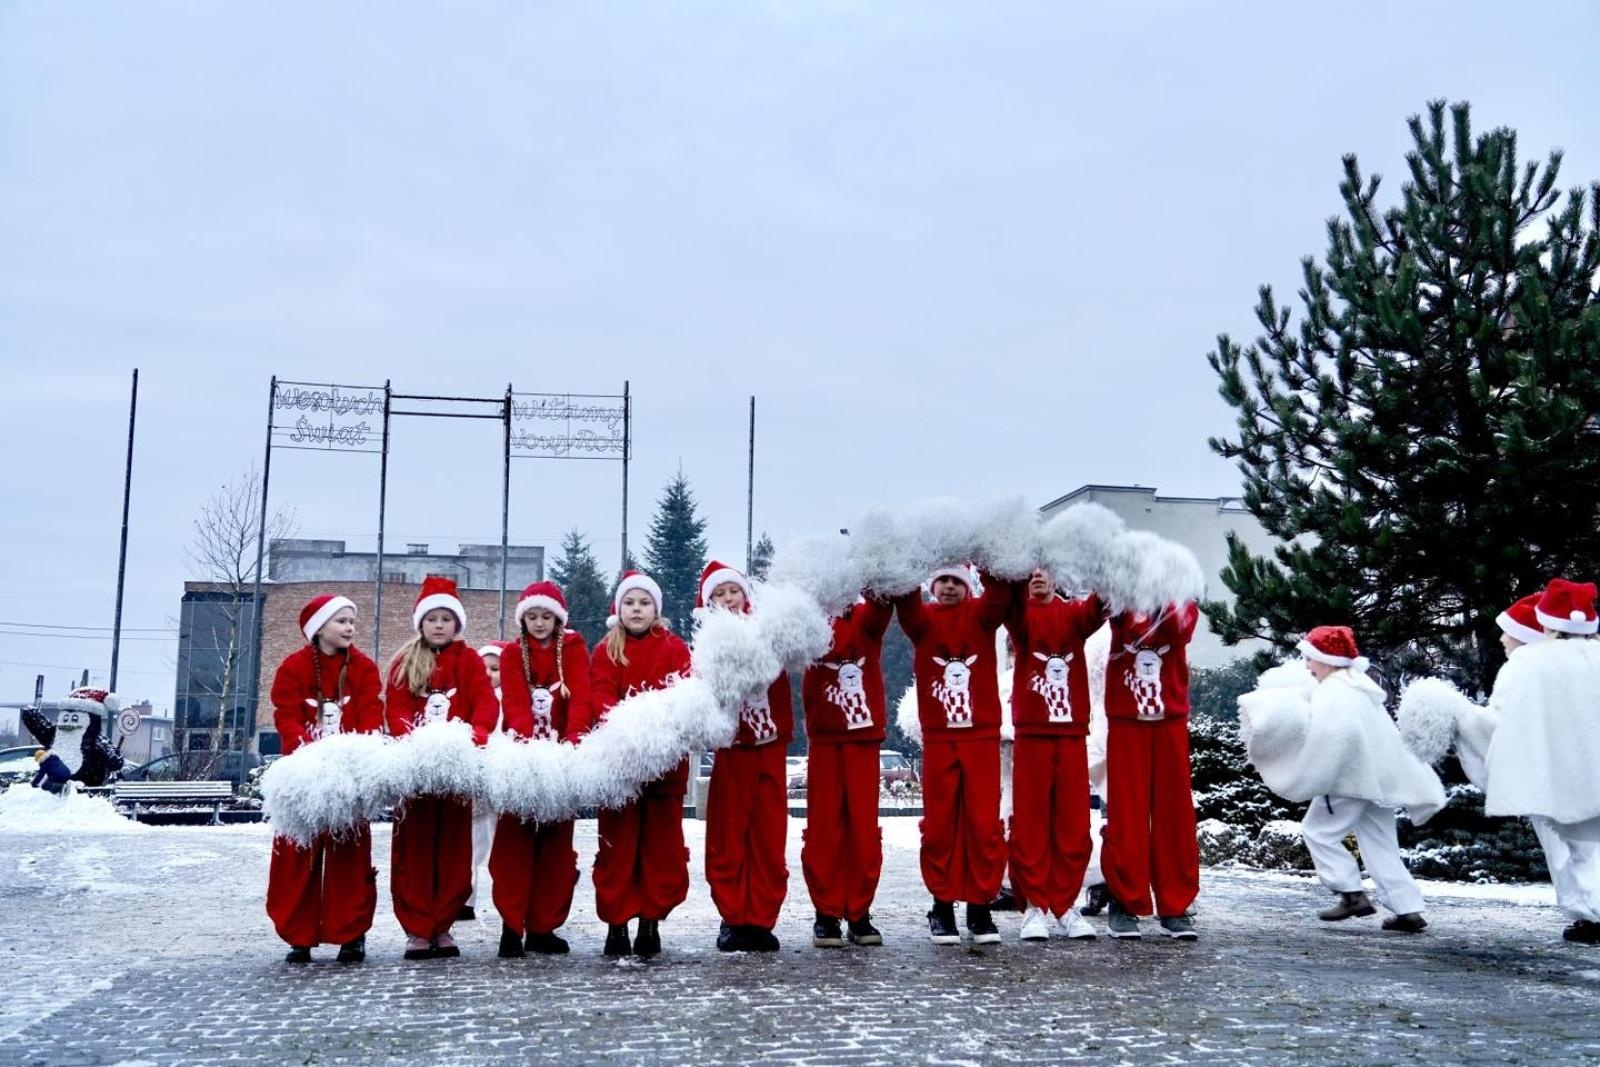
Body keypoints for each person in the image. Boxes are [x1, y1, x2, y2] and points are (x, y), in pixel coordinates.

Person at [1240, 626, 1444, 934]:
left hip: (1348, 779)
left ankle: (1351, 894)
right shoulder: (1360, 687)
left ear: (1327, 659)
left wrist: (1318, 773)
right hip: (1377, 781)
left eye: (1310, 659)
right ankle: (1408, 909)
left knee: (1317, 832)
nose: (1307, 666)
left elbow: (1334, 737)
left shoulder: (1334, 690)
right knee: (1380, 842)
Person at [895, 564, 1014, 945]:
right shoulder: (923, 621)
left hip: (980, 737)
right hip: (940, 737)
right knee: (941, 823)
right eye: (942, 581)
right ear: (933, 586)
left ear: (968, 586)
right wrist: (911, 559)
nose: (949, 588)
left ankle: (979, 908)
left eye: (956, 582)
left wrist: (987, 557)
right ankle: (941, 905)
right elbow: (905, 599)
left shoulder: (981, 615)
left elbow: (1000, 594)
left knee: (982, 823)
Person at [384, 577, 499, 960]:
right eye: (432, 618)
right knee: (414, 851)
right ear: (420, 623)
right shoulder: (405, 661)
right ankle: (418, 927)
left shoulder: (467, 661)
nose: (438, 625)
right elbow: (396, 709)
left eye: (446, 619)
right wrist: (412, 741)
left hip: (455, 771)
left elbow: (485, 704)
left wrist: (475, 736)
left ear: (457, 624)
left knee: (453, 850)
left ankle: (444, 924)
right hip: (416, 773)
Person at [265, 594, 385, 963]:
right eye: (342, 621)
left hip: (348, 776)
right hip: (306, 775)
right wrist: (307, 756)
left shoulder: (363, 667)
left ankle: (351, 932)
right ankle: (298, 934)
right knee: (298, 855)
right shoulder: (294, 667)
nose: (350, 628)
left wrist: (352, 758)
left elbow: (369, 714)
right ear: (319, 628)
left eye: (352, 621)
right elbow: (286, 715)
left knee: (350, 855)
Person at [1483, 579, 1600, 943]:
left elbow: (1498, 718)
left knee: (1572, 846)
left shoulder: (1529, 663)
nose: (1502, 641)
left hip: (1554, 773)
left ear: (1545, 623)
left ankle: (1590, 913)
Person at [590, 571, 693, 958]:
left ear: (656, 609)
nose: (637, 609)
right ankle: (617, 923)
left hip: (665, 767)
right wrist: (625, 730)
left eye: (644, 603)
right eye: (630, 603)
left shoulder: (674, 647)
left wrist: (660, 732)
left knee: (660, 849)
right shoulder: (606, 650)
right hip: (620, 767)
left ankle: (650, 920)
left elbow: (685, 695)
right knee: (617, 847)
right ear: (618, 609)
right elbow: (599, 695)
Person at [492, 582, 592, 957]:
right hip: (525, 761)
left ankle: (542, 927)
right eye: (531, 617)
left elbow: (581, 698)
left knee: (556, 849)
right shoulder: (512, 655)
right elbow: (515, 705)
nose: (538, 623)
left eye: (545, 617)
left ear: (558, 619)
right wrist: (525, 751)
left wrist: (574, 744)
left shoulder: (575, 650)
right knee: (514, 845)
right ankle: (510, 925)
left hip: (562, 759)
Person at [1004, 567, 1104, 941]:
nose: (1037, 577)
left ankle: (1065, 905)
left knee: (1073, 825)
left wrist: (1106, 563)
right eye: (1029, 573)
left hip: (1071, 732)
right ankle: (1034, 907)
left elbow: (1099, 607)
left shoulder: (1073, 614)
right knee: (1030, 824)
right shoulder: (1020, 616)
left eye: (1043, 571)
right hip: (1032, 733)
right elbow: (1007, 606)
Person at [700, 561, 792, 952]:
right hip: (732, 752)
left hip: (770, 748)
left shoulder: (770, 631)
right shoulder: (706, 645)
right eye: (718, 595)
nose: (727, 599)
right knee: (728, 836)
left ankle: (762, 918)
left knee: (769, 836)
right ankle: (733, 917)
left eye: (732, 591)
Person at [1100, 601, 1201, 940]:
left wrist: (1161, 596)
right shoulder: (1120, 598)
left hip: (1169, 720)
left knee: (1175, 817)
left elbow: (1179, 630)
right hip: (1128, 720)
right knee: (1127, 816)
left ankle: (1175, 906)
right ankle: (1124, 901)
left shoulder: (1180, 598)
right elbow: (1116, 620)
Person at [801, 593, 893, 947]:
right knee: (824, 829)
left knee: (862, 829)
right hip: (824, 737)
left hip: (862, 738)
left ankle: (859, 912)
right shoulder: (809, 620)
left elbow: (884, 605)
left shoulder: (866, 618)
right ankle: (826, 913)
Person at [463, 640, 508, 923]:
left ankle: (505, 892)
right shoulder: (473, 698)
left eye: (495, 668)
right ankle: (466, 898)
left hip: (502, 773)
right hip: (478, 776)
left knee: (501, 837)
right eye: (484, 669)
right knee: (473, 840)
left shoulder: (509, 697)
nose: (489, 674)